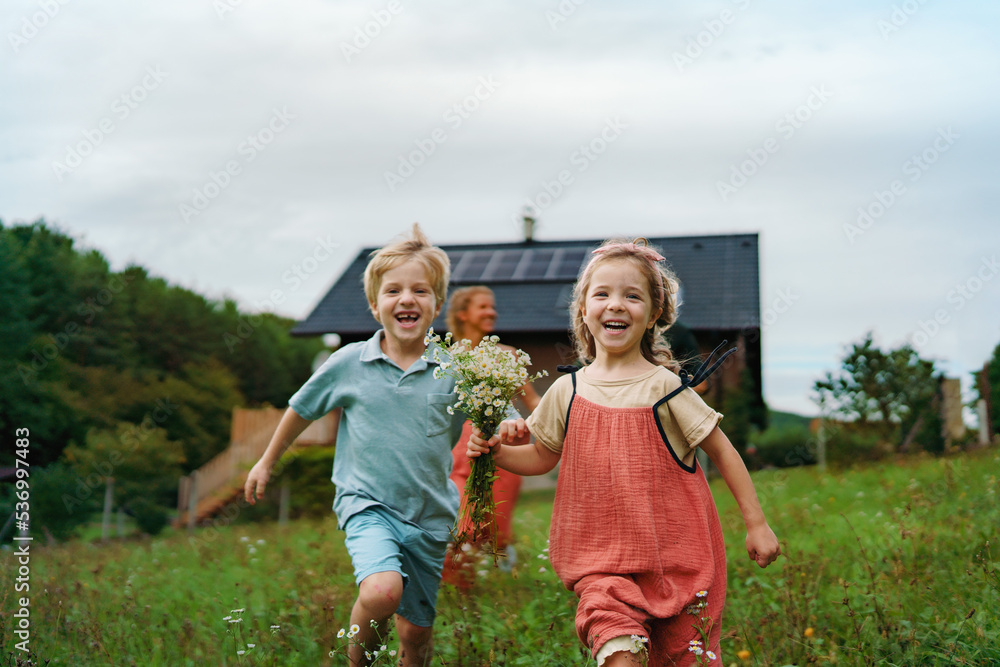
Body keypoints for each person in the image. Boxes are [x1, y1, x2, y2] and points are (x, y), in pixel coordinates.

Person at [468, 239, 780, 666]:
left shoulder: (664, 387)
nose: (616, 305)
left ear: (653, 314)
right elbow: (541, 457)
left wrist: (756, 524)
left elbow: (723, 451)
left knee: (682, 658)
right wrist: (495, 452)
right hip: (600, 564)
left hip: (678, 562)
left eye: (632, 295)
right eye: (602, 294)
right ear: (583, 309)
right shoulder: (567, 390)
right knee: (618, 649)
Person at [244, 224, 468, 667]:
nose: (407, 299)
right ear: (374, 305)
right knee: (383, 590)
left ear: (437, 304)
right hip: (367, 504)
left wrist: (509, 431)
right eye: (393, 291)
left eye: (420, 290)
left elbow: (499, 420)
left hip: (431, 515)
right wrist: (266, 461)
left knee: (417, 634)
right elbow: (301, 409)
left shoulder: (455, 368)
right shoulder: (349, 363)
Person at [440, 287, 540, 588]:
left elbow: (532, 402)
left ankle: (495, 590)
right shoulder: (447, 358)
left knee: (494, 524)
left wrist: (560, 422)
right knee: (460, 521)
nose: (492, 312)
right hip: (461, 448)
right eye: (483, 307)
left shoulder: (508, 355)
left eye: (492, 307)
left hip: (505, 448)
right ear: (462, 314)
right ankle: (457, 591)